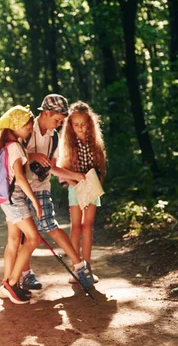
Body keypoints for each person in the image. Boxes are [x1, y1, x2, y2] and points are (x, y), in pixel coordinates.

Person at [20, 94, 96, 290]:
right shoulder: (27, 128)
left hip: (41, 186)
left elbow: (52, 167)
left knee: (49, 224)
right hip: (20, 187)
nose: (57, 125)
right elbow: (12, 154)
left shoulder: (53, 137)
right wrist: (34, 156)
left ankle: (79, 266)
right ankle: (26, 274)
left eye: (61, 122)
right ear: (45, 113)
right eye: (56, 120)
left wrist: (75, 176)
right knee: (24, 233)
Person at [0, 105, 43, 305]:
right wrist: (35, 201)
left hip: (8, 199)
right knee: (33, 238)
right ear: (17, 125)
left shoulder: (8, 146)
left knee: (13, 240)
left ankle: (6, 284)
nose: (30, 128)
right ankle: (12, 282)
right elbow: (19, 176)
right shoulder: (15, 147)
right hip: (15, 200)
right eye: (28, 124)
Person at [58, 101, 107, 283]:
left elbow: (100, 166)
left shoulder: (94, 142)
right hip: (74, 187)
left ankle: (87, 266)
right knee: (76, 226)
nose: (80, 128)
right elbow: (62, 169)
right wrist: (76, 184)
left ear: (90, 122)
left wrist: (94, 185)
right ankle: (76, 267)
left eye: (84, 124)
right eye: (76, 124)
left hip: (91, 187)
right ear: (70, 125)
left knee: (88, 226)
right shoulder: (68, 143)